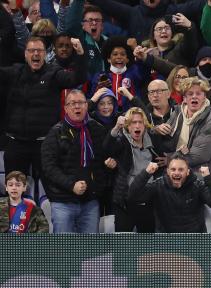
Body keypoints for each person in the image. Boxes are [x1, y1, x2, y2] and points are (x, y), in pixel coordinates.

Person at [0, 36, 87, 185]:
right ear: (25, 54)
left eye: (39, 50)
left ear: (45, 54)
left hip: (45, 144)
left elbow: (76, 79)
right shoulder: (15, 72)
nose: (35, 54)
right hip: (16, 143)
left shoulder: (54, 73)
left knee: (51, 189)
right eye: (31, 50)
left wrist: (80, 55)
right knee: (15, 190)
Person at [40, 89, 109, 233]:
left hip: (90, 201)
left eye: (81, 103)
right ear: (66, 108)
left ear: (87, 105)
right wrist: (71, 185)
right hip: (63, 202)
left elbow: (104, 159)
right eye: (72, 103)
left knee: (90, 252)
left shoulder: (97, 130)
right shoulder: (55, 132)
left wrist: (99, 187)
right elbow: (49, 167)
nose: (77, 106)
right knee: (65, 252)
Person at [127, 156, 211, 233]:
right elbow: (133, 196)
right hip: (165, 239)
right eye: (173, 169)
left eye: (181, 169)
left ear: (187, 172)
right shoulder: (158, 185)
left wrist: (209, 177)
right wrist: (146, 173)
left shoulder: (197, 185)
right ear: (168, 171)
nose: (177, 173)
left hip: (194, 239)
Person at [104, 107, 165, 233]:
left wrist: (169, 160)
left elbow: (162, 161)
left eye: (140, 122)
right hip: (125, 200)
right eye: (133, 122)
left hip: (148, 199)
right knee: (123, 245)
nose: (137, 126)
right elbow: (107, 148)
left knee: (148, 245)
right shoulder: (122, 140)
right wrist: (116, 128)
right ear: (128, 126)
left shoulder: (153, 140)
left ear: (144, 125)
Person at [157, 77, 211, 180]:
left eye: (198, 93)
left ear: (204, 97)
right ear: (184, 98)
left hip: (203, 173)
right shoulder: (178, 113)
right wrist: (157, 129)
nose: (194, 97)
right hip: (179, 166)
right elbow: (165, 140)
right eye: (190, 94)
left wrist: (170, 159)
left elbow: (198, 156)